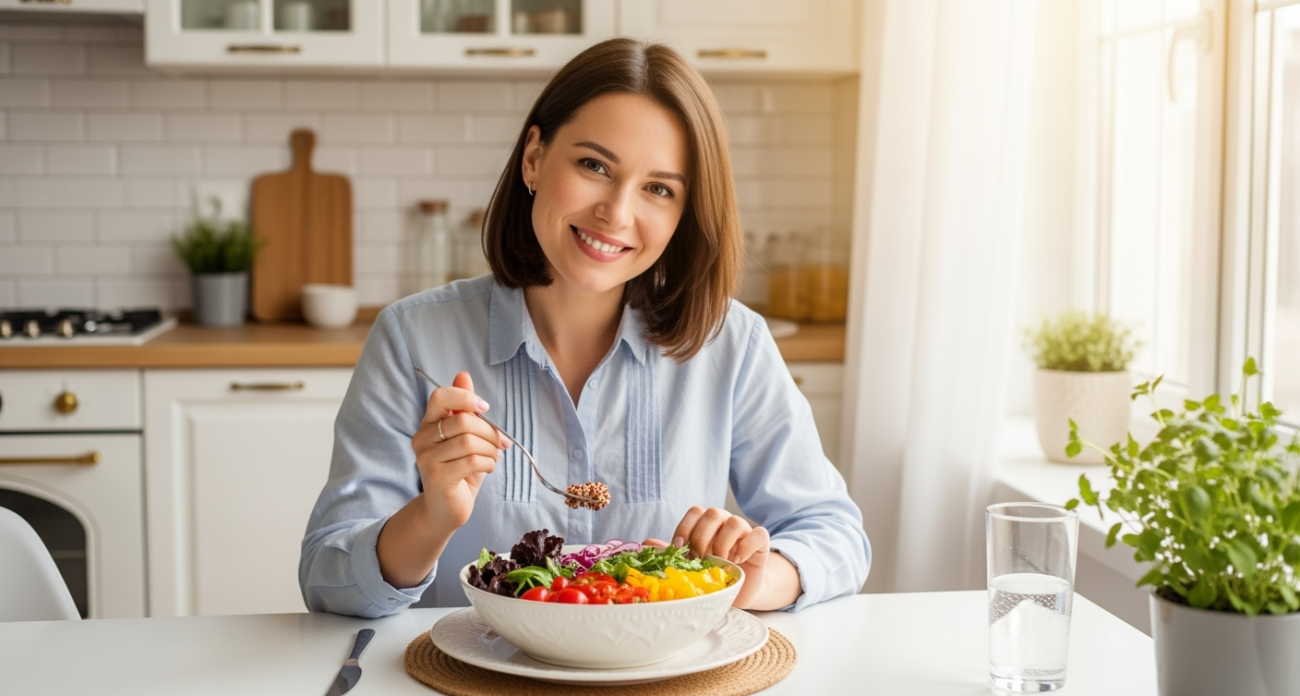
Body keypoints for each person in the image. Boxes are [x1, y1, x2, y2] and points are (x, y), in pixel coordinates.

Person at [299, 37, 870, 616]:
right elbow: (326, 579)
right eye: (594, 165)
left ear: (683, 214)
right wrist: (430, 517)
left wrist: (756, 580)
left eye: (659, 189)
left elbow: (836, 536)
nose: (617, 214)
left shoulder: (732, 344)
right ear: (534, 158)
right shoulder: (412, 338)